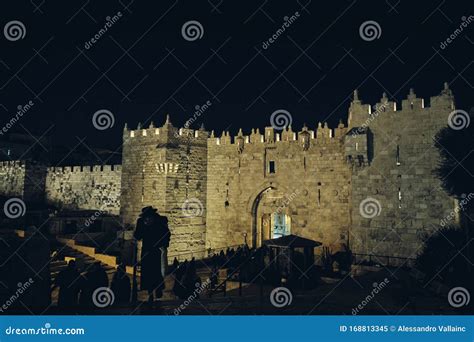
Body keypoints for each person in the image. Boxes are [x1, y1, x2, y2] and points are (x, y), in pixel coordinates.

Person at [134, 206, 171, 302]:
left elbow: (166, 233)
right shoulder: (142, 222)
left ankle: (157, 290)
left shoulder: (159, 221)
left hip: (154, 250)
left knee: (155, 271)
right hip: (148, 250)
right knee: (149, 272)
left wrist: (164, 244)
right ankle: (151, 293)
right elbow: (137, 235)